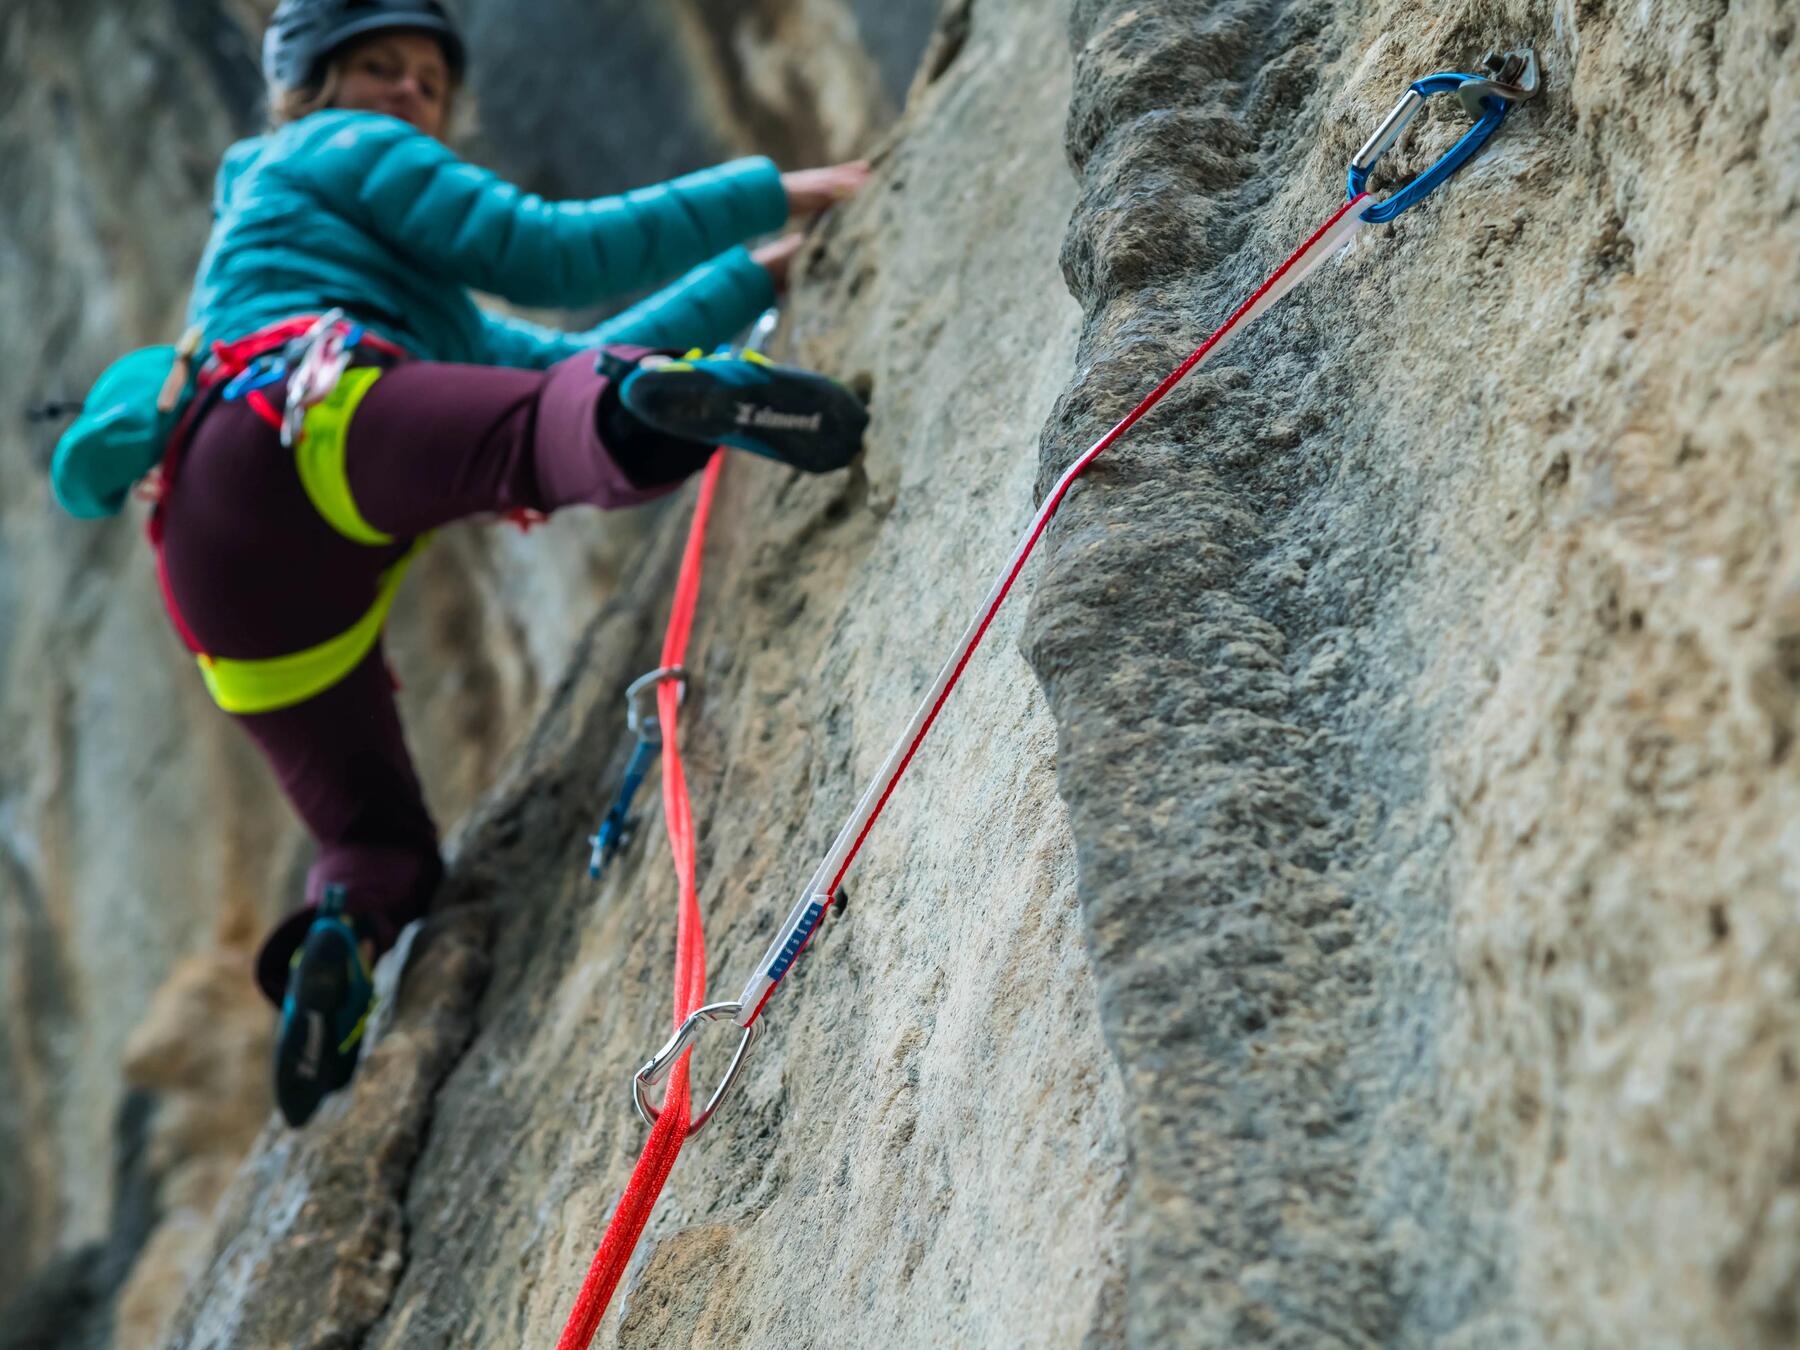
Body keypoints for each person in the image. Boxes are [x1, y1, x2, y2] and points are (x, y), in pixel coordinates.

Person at [56, 0, 873, 1126]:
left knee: (372, 837)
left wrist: (756, 273)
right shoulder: (340, 146)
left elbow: (561, 351)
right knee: (551, 433)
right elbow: (551, 253)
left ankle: (337, 947)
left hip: (223, 578)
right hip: (309, 418)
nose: (407, 93)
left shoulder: (373, 274)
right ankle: (660, 415)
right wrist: (777, 189)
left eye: (429, 81)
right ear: (310, 88)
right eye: (378, 66)